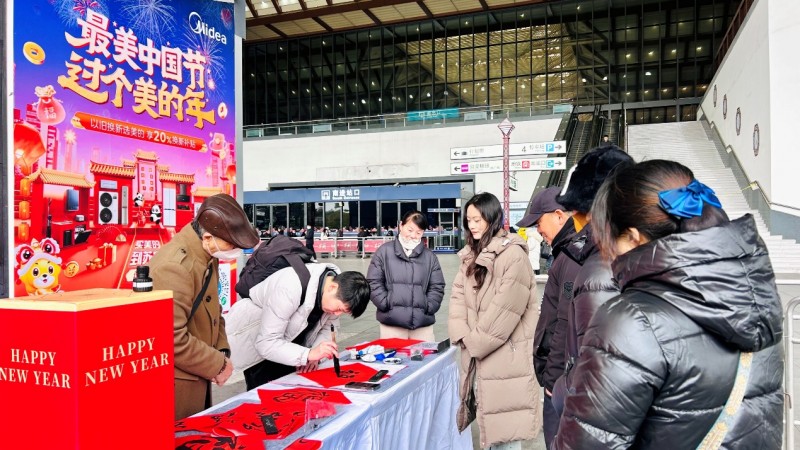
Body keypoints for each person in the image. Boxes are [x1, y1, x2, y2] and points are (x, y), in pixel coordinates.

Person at [553, 159, 784, 449]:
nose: (609, 255)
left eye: (608, 240)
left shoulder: (632, 320)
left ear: (633, 238)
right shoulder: (758, 297)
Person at [148, 193, 259, 420]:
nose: (236, 251)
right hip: (176, 380)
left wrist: (221, 351)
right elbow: (169, 337)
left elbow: (214, 309)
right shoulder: (175, 267)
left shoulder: (207, 253)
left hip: (195, 370)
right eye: (233, 245)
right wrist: (216, 364)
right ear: (208, 236)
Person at [448, 193, 541, 449]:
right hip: (481, 354)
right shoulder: (469, 255)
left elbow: (505, 311)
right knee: (491, 429)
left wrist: (472, 341)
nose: (473, 225)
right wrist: (462, 332)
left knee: (505, 434)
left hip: (506, 359)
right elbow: (457, 298)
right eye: (469, 220)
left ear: (492, 218)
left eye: (478, 219)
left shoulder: (513, 256)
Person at [550, 145, 634, 416]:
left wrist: (560, 389)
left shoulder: (600, 269)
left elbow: (596, 377)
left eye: (577, 213)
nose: (574, 221)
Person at [231, 265, 371, 390]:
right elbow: (266, 343)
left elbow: (328, 328)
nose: (337, 314)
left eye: (343, 312)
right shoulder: (289, 288)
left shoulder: (334, 290)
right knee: (266, 401)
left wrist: (317, 354)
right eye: (339, 308)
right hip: (261, 350)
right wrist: (308, 354)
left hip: (292, 349)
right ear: (332, 287)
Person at [514, 186, 575, 448]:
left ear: (559, 216)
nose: (538, 230)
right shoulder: (567, 254)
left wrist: (552, 380)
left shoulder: (573, 257)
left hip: (562, 379)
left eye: (539, 222)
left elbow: (564, 324)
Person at [366, 210, 446, 341]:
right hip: (392, 323)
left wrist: (429, 305)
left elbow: (437, 286)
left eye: (418, 232)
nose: (413, 235)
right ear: (401, 226)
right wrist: (385, 303)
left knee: (425, 360)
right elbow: (373, 282)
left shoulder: (430, 257)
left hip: (422, 324)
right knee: (393, 360)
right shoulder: (384, 252)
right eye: (410, 230)